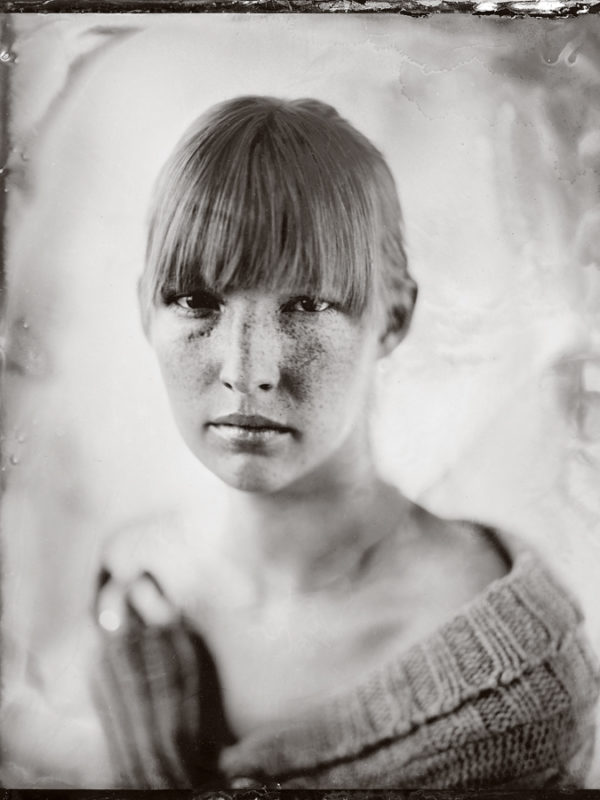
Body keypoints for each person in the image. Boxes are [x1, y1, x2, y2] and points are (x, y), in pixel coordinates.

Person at [93, 95, 600, 789]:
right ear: (144, 312)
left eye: (307, 304)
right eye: (196, 301)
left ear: (392, 319)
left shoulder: (517, 685)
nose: (246, 370)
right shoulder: (135, 582)